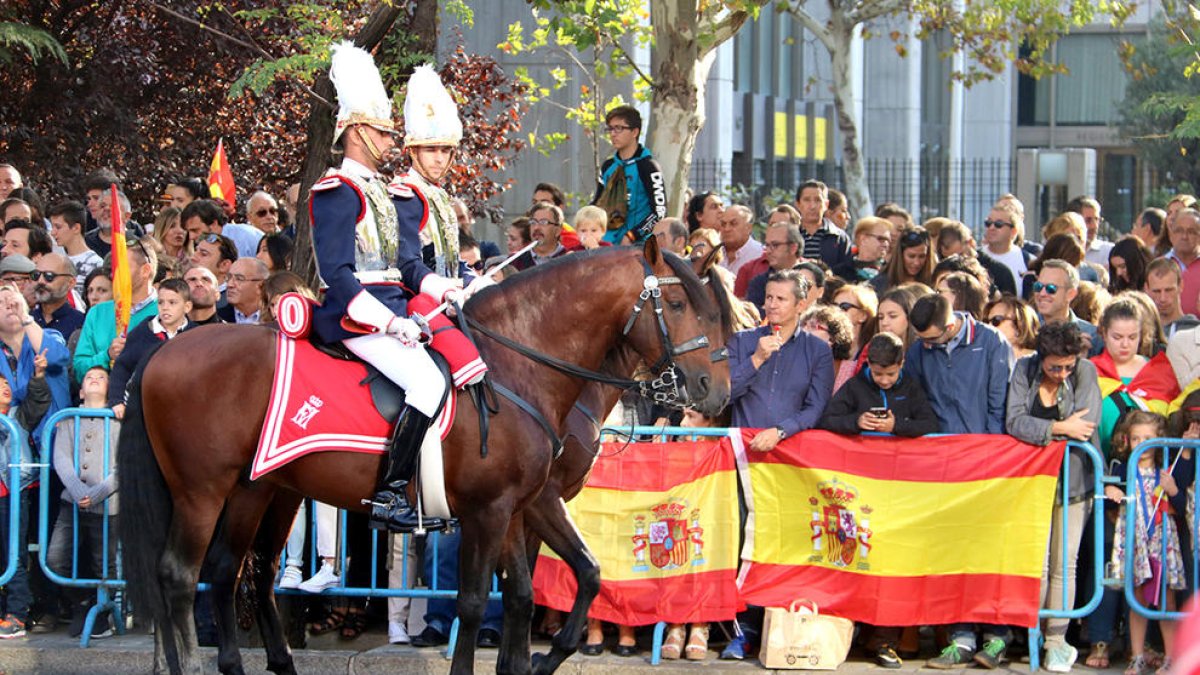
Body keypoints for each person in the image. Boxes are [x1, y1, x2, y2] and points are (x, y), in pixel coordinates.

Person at [310, 47, 471, 533]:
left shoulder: (376, 189)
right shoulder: (337, 188)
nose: (389, 140)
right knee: (426, 382)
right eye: (382, 132)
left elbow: (404, 267)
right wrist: (390, 321)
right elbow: (337, 274)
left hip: (392, 310)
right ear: (357, 132)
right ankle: (387, 492)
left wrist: (450, 286)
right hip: (354, 317)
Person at [723, 269, 833, 660]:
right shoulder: (742, 341)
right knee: (742, 545)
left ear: (802, 305)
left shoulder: (817, 350)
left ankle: (774, 627)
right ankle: (739, 630)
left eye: (781, 299)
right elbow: (725, 393)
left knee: (781, 546)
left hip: (790, 463)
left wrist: (781, 432)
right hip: (742, 461)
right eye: (768, 297)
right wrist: (756, 358)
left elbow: (816, 407)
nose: (771, 305)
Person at [1005, 321, 1101, 672]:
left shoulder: (1086, 372)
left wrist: (1043, 431)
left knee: (1065, 563)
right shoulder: (1023, 368)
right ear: (1041, 358)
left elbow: (1087, 426)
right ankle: (1034, 633)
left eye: (1068, 366)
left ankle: (1057, 641)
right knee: (1038, 562)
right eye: (1054, 367)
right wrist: (1060, 428)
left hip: (1075, 479)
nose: (1062, 373)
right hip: (1033, 481)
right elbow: (1013, 421)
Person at [1106, 410, 1186, 675]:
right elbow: (1108, 490)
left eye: (1148, 438)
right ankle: (1137, 655)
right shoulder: (1122, 467)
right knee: (1137, 600)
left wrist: (1172, 486)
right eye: (1136, 438)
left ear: (1159, 439)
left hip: (1162, 539)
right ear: (1126, 440)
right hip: (1135, 539)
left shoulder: (1165, 468)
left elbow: (1180, 501)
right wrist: (1111, 490)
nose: (1142, 444)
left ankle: (1171, 658)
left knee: (1167, 601)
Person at [48, 366, 119, 639]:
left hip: (108, 504)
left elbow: (123, 465)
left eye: (102, 377)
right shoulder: (67, 420)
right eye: (89, 377)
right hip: (72, 502)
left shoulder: (117, 420)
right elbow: (61, 458)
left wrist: (99, 492)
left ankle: (103, 611)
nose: (94, 380)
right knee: (56, 558)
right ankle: (81, 602)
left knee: (104, 563)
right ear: (80, 390)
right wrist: (78, 491)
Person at [820, 331, 939, 440]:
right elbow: (827, 420)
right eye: (877, 374)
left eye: (891, 374)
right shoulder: (854, 386)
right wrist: (857, 422)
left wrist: (896, 425)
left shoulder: (911, 387)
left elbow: (931, 425)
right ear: (869, 363)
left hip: (901, 457)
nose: (884, 380)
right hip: (865, 456)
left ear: (901, 363)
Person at [73, 241, 158, 384]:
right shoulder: (97, 313)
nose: (114, 273)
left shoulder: (167, 310)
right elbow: (79, 370)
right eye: (114, 267)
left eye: (122, 267)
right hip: (105, 402)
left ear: (145, 270)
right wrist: (107, 356)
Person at [107, 278, 192, 418]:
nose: (165, 307)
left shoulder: (196, 335)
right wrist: (116, 400)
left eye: (172, 302)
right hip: (145, 411)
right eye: (161, 302)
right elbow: (122, 368)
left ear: (187, 307)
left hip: (184, 412)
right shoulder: (142, 333)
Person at [591, 105, 666, 244]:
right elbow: (597, 204)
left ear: (635, 132)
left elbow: (659, 212)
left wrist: (632, 236)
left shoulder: (649, 166)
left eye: (619, 128)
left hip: (638, 246)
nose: (613, 134)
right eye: (610, 129)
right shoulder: (608, 166)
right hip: (606, 244)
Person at [1032, 259, 1104, 357]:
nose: (1042, 293)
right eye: (1038, 286)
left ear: (1070, 294)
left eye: (1051, 288)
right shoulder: (1025, 328)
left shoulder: (1093, 336)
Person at [794, 179, 852, 271]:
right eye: (807, 200)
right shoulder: (790, 236)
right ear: (798, 204)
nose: (812, 206)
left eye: (818, 200)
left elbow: (847, 272)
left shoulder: (839, 237)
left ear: (826, 204)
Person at [46, 201, 103, 292]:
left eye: (58, 227)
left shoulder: (95, 264)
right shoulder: (58, 261)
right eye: (52, 227)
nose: (53, 232)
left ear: (76, 228)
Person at [1145, 256, 1200, 339]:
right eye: (1156, 291)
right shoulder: (1140, 331)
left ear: (1181, 286)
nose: (1162, 298)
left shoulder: (1194, 330)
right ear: (1146, 289)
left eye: (1168, 290)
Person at [871, 226, 935, 294]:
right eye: (911, 256)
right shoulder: (879, 284)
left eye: (922, 256)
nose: (917, 262)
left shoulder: (935, 282)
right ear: (900, 255)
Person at [833, 216, 890, 282]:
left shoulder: (891, 272)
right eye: (881, 239)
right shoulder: (839, 273)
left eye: (888, 240)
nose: (886, 244)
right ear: (863, 239)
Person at [983, 295, 1039, 360]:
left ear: (1019, 324)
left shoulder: (1038, 362)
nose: (989, 326)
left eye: (996, 320)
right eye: (986, 322)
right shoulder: (983, 360)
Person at [717, 205, 762, 279]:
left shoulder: (760, 255)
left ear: (748, 228)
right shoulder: (713, 254)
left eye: (733, 223)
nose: (727, 229)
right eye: (723, 224)